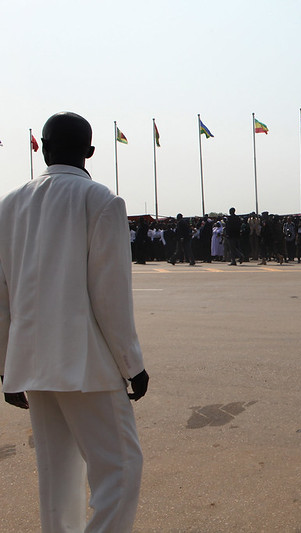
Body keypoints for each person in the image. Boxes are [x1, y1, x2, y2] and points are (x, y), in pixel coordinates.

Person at [0, 112, 148, 532]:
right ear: (90, 151)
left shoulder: (8, 204)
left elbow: (2, 299)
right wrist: (131, 363)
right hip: (87, 365)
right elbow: (110, 294)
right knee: (120, 469)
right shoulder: (99, 200)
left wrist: (6, 370)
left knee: (57, 477)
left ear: (43, 148)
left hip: (32, 364)